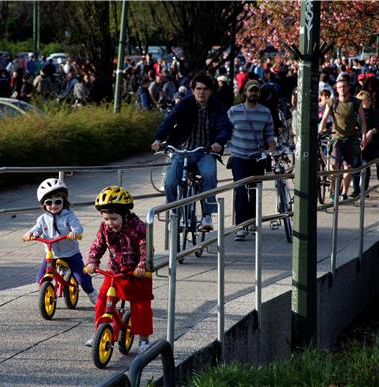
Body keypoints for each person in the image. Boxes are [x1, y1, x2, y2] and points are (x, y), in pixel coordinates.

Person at [151, 73, 232, 231]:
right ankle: (175, 215)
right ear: (193, 90)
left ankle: (207, 215)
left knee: (209, 175)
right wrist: (158, 139)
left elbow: (225, 127)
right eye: (198, 89)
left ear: (210, 91)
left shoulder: (217, 105)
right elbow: (169, 120)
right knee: (170, 184)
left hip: (205, 151)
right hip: (181, 151)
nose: (201, 92)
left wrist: (218, 142)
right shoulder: (185, 103)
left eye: (205, 89)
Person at [85, 186, 153, 353]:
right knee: (102, 300)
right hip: (114, 271)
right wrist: (92, 261)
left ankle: (144, 340)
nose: (110, 223)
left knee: (141, 306)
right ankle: (100, 331)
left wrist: (142, 265)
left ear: (125, 214)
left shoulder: (139, 228)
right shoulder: (105, 228)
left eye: (113, 218)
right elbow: (97, 245)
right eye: (106, 218)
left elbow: (146, 249)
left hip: (137, 274)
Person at [22, 178, 98, 305]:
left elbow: (78, 227)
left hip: (71, 253)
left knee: (82, 277)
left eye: (57, 201)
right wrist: (30, 234)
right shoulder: (42, 219)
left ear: (64, 201)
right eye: (48, 202)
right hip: (51, 254)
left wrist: (75, 233)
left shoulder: (69, 216)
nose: (53, 205)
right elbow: (36, 229)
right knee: (40, 278)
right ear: (44, 205)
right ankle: (47, 293)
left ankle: (93, 294)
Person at [227, 80, 277, 241]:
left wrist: (273, 152)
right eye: (251, 91)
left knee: (255, 192)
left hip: (257, 157)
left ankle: (252, 220)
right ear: (245, 93)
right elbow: (225, 131)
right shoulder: (234, 111)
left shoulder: (265, 112)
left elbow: (269, 135)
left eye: (256, 91)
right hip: (238, 157)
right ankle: (241, 226)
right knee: (241, 191)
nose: (253, 94)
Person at [319, 75, 368, 200]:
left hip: (351, 138)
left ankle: (344, 193)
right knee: (334, 164)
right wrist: (321, 130)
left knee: (349, 167)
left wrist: (364, 137)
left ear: (348, 88)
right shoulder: (332, 102)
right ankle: (333, 189)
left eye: (344, 86)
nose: (342, 89)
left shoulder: (356, 102)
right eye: (340, 87)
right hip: (336, 137)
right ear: (336, 88)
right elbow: (324, 119)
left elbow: (362, 121)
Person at [356, 90, 379, 189]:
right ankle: (363, 190)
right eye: (368, 99)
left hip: (375, 143)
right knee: (365, 167)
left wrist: (376, 129)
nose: (370, 101)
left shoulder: (376, 113)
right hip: (363, 144)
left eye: (369, 99)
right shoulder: (356, 115)